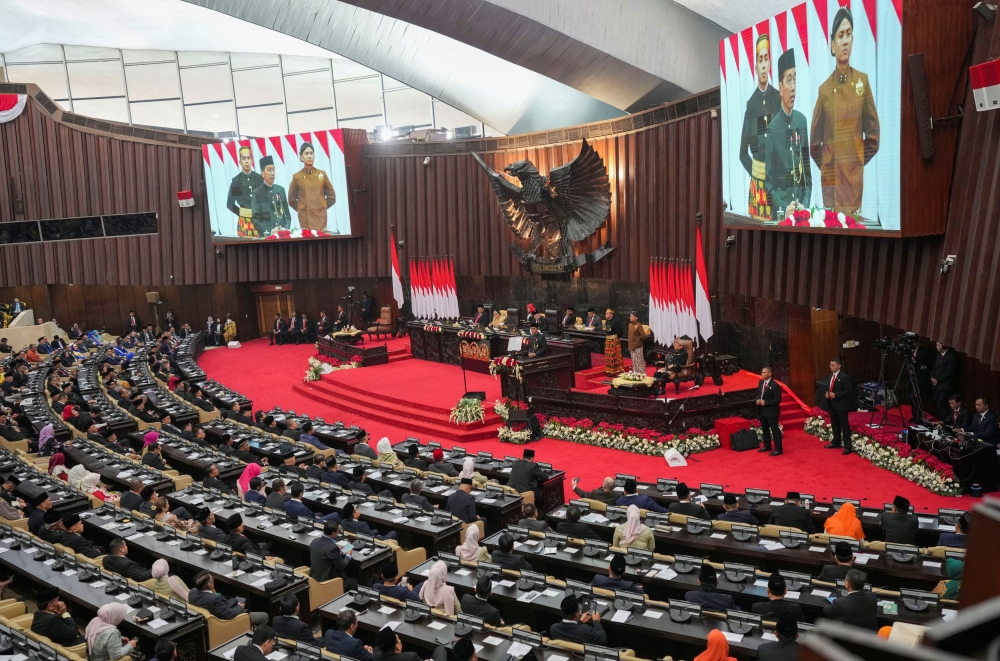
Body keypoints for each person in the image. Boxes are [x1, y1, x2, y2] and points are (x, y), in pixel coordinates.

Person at [810, 5, 880, 219]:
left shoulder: (862, 82)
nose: (845, 40)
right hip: (831, 185)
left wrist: (855, 161)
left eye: (849, 34)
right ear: (833, 45)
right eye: (840, 35)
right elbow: (814, 144)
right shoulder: (823, 90)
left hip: (853, 184)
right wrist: (829, 164)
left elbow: (873, 137)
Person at [740, 33, 784, 220]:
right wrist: (758, 174)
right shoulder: (751, 104)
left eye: (767, 59)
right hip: (759, 186)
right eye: (760, 59)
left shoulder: (778, 98)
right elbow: (742, 153)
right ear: (756, 67)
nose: (764, 64)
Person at [764, 49, 811, 221]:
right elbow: (769, 184)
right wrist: (785, 209)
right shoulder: (772, 129)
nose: (792, 87)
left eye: (795, 79)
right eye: (788, 80)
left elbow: (807, 175)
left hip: (802, 216)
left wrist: (804, 206)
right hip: (781, 217)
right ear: (781, 87)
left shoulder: (801, 121)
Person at [189, 570, 269, 626]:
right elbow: (230, 614)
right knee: (264, 616)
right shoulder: (213, 600)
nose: (214, 580)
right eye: (212, 579)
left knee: (241, 595)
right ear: (209, 584)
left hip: (223, 607)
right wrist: (239, 606)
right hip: (229, 620)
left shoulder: (192, 592)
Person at [287, 142, 336, 231]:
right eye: (306, 153)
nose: (309, 156)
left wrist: (322, 207)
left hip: (320, 219)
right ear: (301, 157)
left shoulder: (322, 174)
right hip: (305, 219)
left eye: (311, 153)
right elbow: (291, 200)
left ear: (314, 156)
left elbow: (332, 197)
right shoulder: (297, 177)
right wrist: (302, 209)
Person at [227, 146, 265, 236]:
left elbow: (265, 199)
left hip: (259, 220)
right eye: (244, 159)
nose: (247, 161)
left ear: (252, 160)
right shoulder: (237, 180)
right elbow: (230, 204)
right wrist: (242, 213)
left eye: (248, 158)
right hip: (244, 221)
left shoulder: (259, 178)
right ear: (240, 162)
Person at [250, 155, 291, 236]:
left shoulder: (280, 190)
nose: (272, 173)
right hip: (267, 237)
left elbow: (288, 216)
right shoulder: (256, 193)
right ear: (262, 173)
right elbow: (256, 220)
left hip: (282, 236)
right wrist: (270, 231)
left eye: (273, 169)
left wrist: (286, 228)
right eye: (269, 170)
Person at [310, 520, 356, 590]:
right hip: (327, 581)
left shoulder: (314, 541)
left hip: (314, 577)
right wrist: (348, 555)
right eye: (338, 531)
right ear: (333, 534)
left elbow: (324, 553)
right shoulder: (332, 548)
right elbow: (341, 566)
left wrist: (337, 552)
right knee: (355, 582)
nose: (338, 532)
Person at [824, 358, 854, 454]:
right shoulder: (830, 376)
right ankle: (836, 442)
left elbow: (849, 391)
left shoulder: (844, 377)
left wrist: (836, 394)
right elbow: (830, 388)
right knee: (835, 424)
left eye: (833, 365)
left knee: (844, 425)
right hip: (832, 404)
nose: (831, 367)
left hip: (841, 405)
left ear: (839, 366)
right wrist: (827, 394)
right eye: (830, 365)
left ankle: (847, 447)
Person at [756, 366, 783, 455]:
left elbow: (778, 399)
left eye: (764, 372)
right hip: (762, 411)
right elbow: (759, 394)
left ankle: (778, 449)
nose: (762, 374)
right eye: (762, 372)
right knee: (765, 429)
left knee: (775, 430)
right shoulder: (760, 382)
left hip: (772, 411)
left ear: (770, 374)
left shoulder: (775, 385)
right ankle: (767, 445)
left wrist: (766, 402)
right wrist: (757, 400)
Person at [931, 343, 959, 418]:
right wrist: (932, 377)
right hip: (936, 386)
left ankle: (944, 423)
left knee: (942, 405)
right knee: (937, 405)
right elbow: (934, 368)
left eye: (938, 345)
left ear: (943, 345)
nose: (936, 347)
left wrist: (938, 380)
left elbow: (950, 372)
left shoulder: (951, 356)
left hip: (945, 386)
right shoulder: (938, 356)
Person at [603, 308, 625, 376]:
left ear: (611, 314)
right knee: (608, 357)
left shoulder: (616, 321)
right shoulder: (607, 321)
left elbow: (620, 332)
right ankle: (610, 370)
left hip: (614, 341)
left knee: (615, 356)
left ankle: (617, 370)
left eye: (607, 313)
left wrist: (615, 338)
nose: (606, 315)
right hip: (608, 341)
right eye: (606, 313)